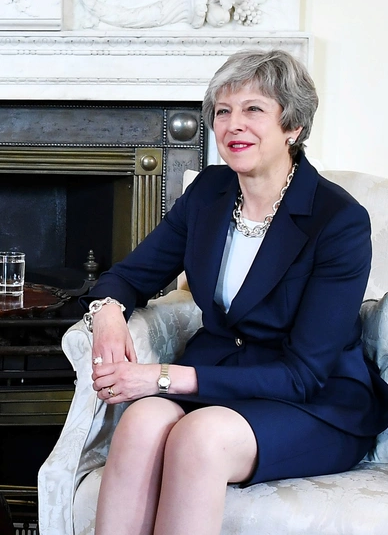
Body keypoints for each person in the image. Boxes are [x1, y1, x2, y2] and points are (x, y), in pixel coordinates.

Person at [82, 49, 388, 535]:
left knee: (198, 438)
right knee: (139, 426)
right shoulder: (209, 192)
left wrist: (165, 377)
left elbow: (305, 374)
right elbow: (130, 274)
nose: (233, 125)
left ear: (293, 126)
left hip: (312, 401)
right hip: (221, 372)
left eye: (253, 110)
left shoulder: (339, 220)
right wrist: (108, 313)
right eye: (222, 111)